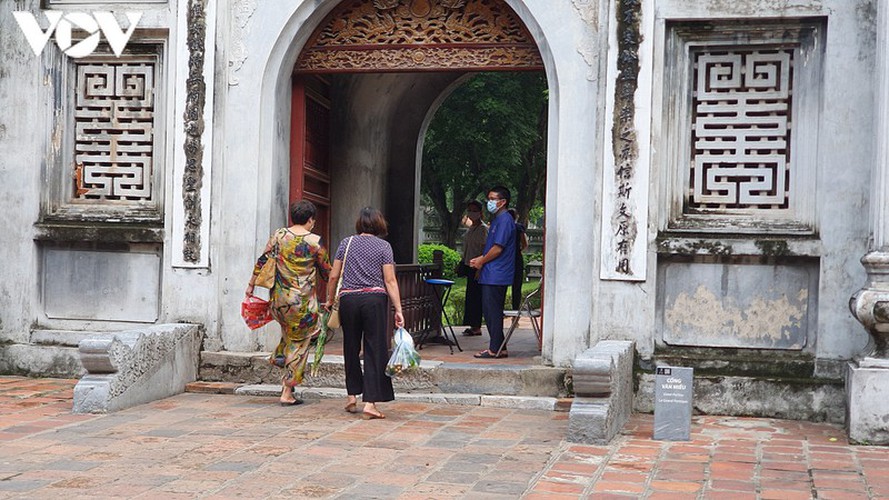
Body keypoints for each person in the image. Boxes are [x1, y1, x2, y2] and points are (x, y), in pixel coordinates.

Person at [246, 200, 331, 406]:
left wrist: (250, 286)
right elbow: (328, 271)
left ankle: (279, 357)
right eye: (313, 221)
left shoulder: (279, 235)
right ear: (310, 220)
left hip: (278, 300)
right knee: (300, 344)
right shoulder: (315, 243)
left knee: (290, 335)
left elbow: (263, 260)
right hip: (302, 303)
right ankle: (287, 390)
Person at [326, 207, 405, 420]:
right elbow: (389, 280)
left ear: (359, 224)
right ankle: (370, 403)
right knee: (374, 349)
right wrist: (398, 309)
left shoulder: (346, 243)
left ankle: (351, 396)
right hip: (374, 300)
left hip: (349, 300)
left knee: (350, 346)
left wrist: (329, 299)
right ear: (379, 224)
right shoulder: (384, 247)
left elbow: (333, 276)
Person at [469, 186, 517, 359]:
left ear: (502, 202)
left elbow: (498, 249)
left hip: (497, 274)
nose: (489, 202)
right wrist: (480, 259)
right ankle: (500, 346)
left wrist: (482, 260)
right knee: (491, 311)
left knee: (492, 311)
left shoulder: (504, 220)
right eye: (488, 199)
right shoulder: (498, 220)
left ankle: (494, 348)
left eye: (492, 199)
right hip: (491, 271)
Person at [460, 200, 487, 336]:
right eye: (469, 210)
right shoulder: (470, 229)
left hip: (478, 266)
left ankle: (476, 325)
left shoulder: (483, 230)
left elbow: (484, 250)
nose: (471, 213)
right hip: (469, 265)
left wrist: (480, 268)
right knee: (470, 296)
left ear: (480, 212)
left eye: (474, 210)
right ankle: (472, 324)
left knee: (476, 297)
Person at [507, 208, 529, 310]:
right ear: (516, 216)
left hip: (505, 258)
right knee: (517, 286)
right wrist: (519, 249)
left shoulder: (503, 227)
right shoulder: (518, 228)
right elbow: (525, 244)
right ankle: (515, 309)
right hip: (516, 257)